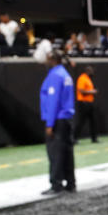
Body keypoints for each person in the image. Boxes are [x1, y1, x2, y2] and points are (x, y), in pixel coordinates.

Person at [39, 50, 76, 194]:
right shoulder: (65, 74)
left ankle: (56, 183)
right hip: (67, 118)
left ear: (53, 60)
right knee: (67, 152)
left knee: (55, 153)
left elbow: (53, 101)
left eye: (48, 59)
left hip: (58, 119)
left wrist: (50, 123)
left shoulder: (54, 75)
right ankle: (70, 182)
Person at [75, 66, 99, 143]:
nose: (93, 73)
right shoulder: (82, 78)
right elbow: (81, 91)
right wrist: (92, 92)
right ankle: (73, 138)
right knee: (80, 121)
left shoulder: (88, 79)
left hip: (89, 102)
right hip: (83, 103)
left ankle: (94, 138)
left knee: (93, 121)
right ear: (87, 71)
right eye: (91, 71)